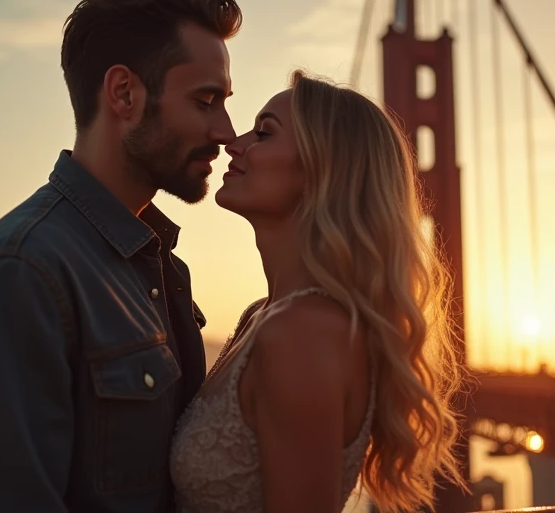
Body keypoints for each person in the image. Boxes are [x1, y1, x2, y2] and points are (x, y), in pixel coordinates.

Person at [0, 0, 242, 512]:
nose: (226, 131)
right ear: (124, 93)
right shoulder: (20, 271)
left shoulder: (162, 266)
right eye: (205, 101)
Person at [170, 71, 465, 512]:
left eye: (264, 133)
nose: (234, 142)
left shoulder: (301, 333)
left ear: (321, 172)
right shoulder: (262, 315)